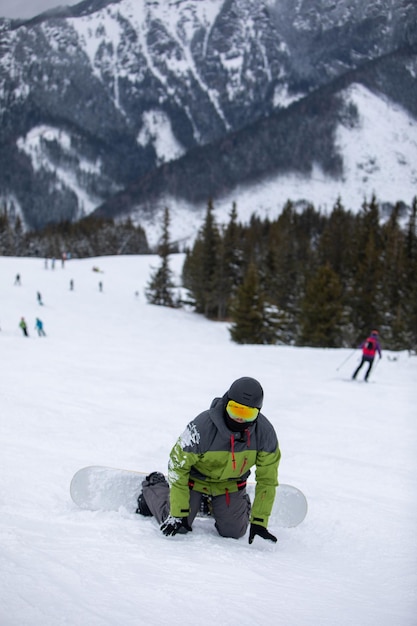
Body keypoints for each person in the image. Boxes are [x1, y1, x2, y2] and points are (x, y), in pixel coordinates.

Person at [137, 377, 281, 544]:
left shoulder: (265, 434)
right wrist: (177, 513)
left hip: (230, 484)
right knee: (178, 525)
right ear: (227, 403)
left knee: (234, 532)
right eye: (235, 410)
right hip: (195, 479)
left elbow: (267, 480)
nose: (240, 419)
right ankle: (154, 485)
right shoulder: (201, 427)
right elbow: (178, 465)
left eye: (248, 414)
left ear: (258, 412)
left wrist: (259, 522)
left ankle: (221, 503)